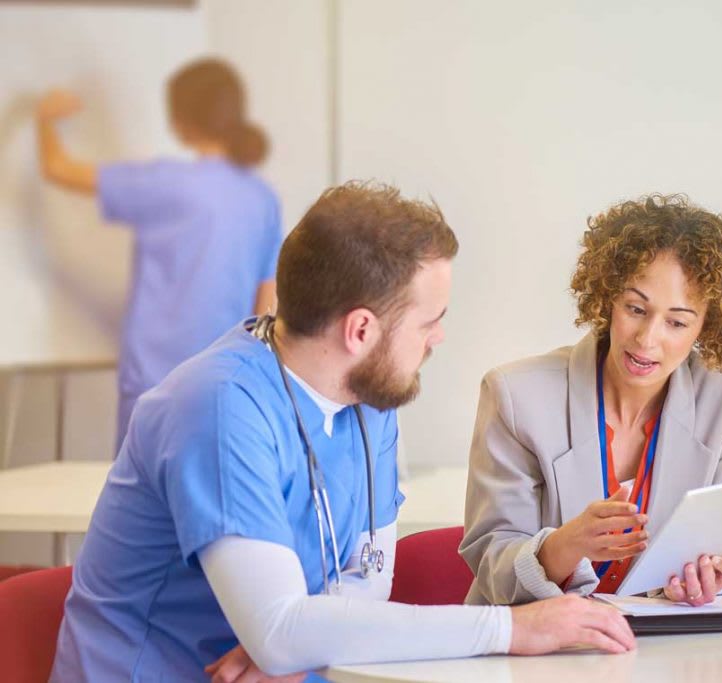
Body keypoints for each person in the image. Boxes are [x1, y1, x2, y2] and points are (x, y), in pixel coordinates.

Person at [49, 182, 636, 683]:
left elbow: (366, 582)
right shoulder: (220, 409)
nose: (438, 339)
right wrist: (512, 628)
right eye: (429, 322)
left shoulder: (367, 398)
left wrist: (295, 637)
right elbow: (281, 629)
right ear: (360, 329)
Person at [460, 193, 722, 607]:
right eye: (635, 308)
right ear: (607, 296)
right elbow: (492, 564)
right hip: (537, 647)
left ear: (707, 326)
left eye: (677, 322)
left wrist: (696, 582)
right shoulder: (517, 395)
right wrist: (565, 545)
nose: (647, 340)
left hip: (657, 649)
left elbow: (713, 549)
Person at [35, 58, 282, 451]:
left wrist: (43, 119)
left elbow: (56, 168)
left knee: (140, 503)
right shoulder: (262, 198)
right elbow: (264, 307)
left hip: (153, 382)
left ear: (181, 121)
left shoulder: (164, 184)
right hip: (225, 383)